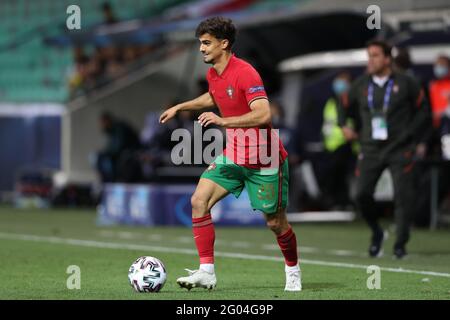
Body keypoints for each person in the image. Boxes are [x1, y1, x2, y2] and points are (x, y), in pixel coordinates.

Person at [159, 17, 301, 291]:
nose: (201, 48)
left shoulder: (246, 72)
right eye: (200, 43)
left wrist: (222, 122)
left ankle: (293, 270)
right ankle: (206, 272)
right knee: (199, 200)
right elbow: (213, 97)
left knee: (275, 223)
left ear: (224, 44)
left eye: (206, 43)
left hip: (265, 159)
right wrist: (181, 107)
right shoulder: (214, 74)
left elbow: (263, 113)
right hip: (235, 154)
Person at [338, 40, 431, 259]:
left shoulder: (407, 82)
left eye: (375, 55)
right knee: (361, 194)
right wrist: (344, 126)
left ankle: (400, 244)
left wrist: (410, 135)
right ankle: (377, 231)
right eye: (369, 55)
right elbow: (342, 106)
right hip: (370, 148)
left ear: (387, 59)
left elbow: (424, 111)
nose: (371, 60)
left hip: (400, 149)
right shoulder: (360, 84)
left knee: (403, 197)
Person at [319, 71, 357, 209]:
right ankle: (335, 203)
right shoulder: (331, 101)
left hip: (344, 143)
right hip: (330, 145)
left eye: (343, 81)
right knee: (332, 177)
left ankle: (344, 203)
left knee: (342, 177)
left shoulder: (350, 101)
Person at [96, 112, 141, 182]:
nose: (102, 125)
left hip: (130, 151)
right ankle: (108, 180)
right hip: (123, 152)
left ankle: (111, 180)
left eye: (103, 123)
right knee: (99, 157)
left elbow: (119, 146)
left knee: (104, 158)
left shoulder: (119, 128)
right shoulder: (111, 130)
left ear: (107, 121)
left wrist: (106, 153)